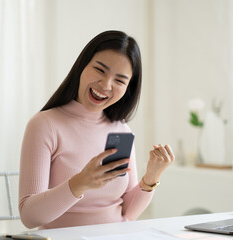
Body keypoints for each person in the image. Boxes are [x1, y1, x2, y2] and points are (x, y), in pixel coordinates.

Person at [18, 30, 174, 229]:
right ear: (82, 67)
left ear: (128, 88)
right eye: (100, 70)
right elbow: (30, 217)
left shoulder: (121, 130)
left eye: (119, 80)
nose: (106, 84)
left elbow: (128, 213)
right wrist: (80, 183)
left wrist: (151, 177)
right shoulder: (45, 125)